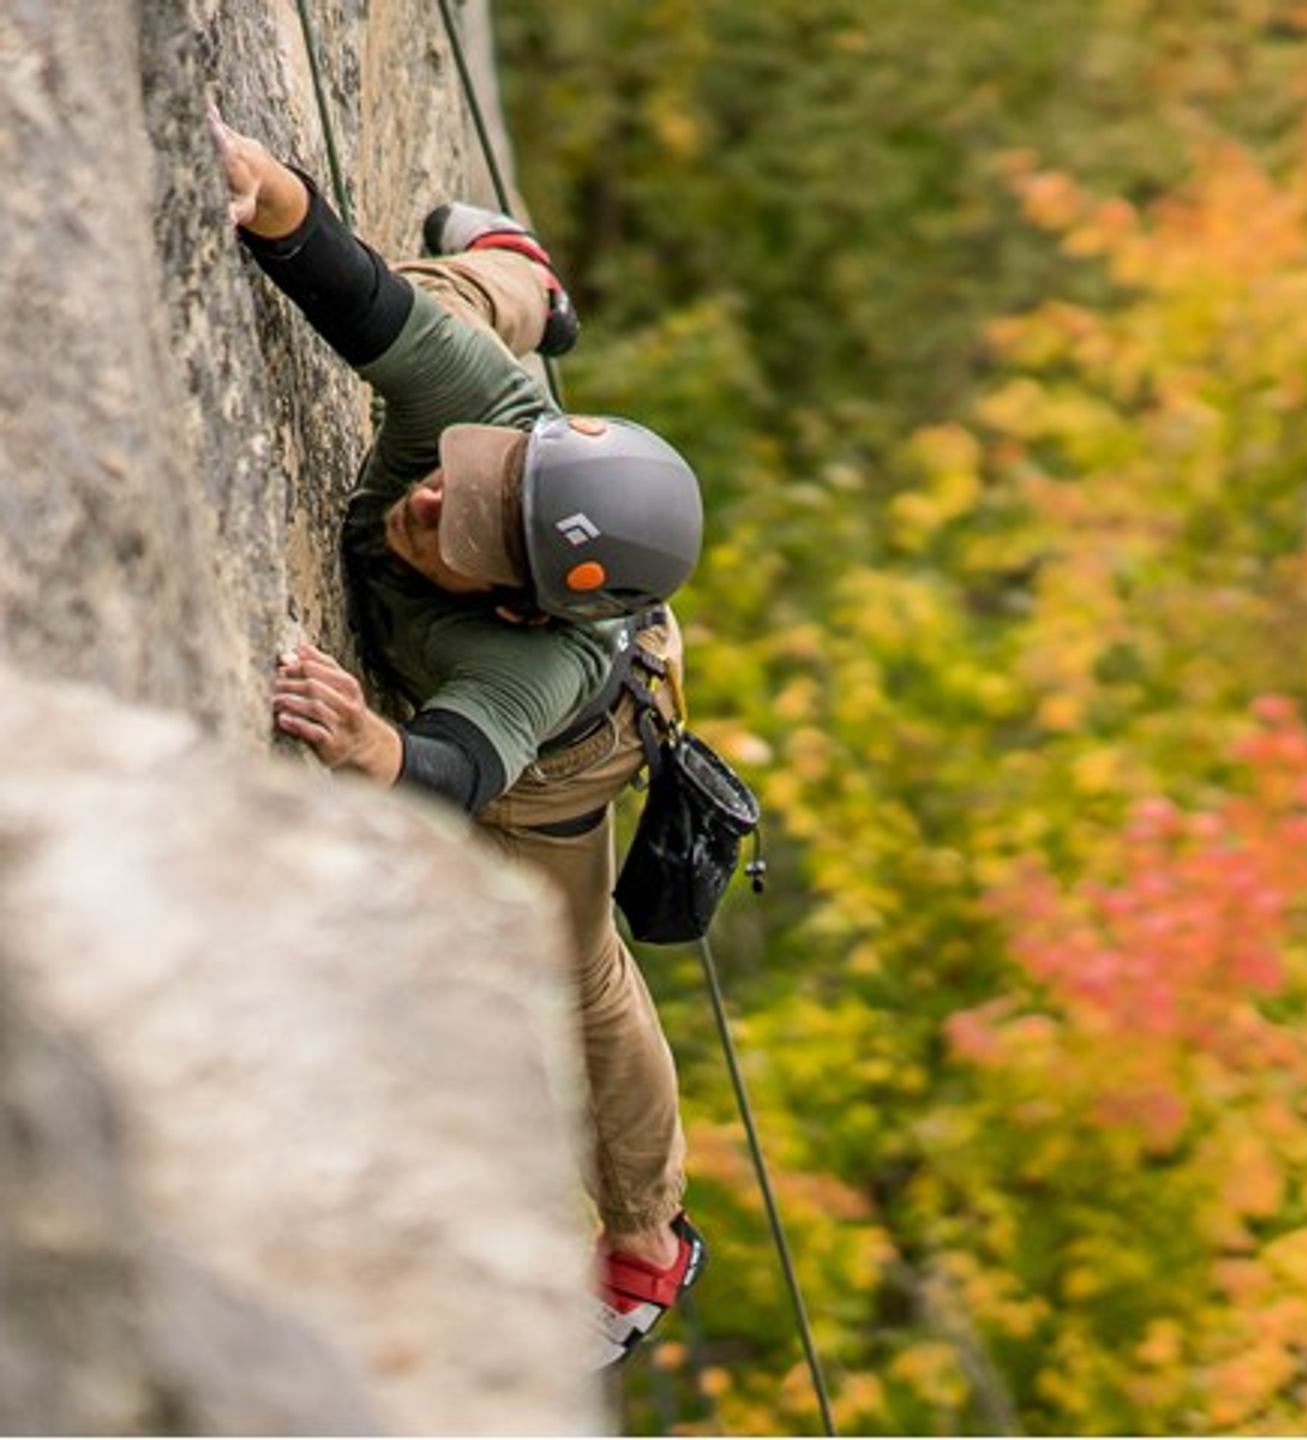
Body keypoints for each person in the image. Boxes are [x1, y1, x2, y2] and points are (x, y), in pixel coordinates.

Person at [210, 103, 704, 1368]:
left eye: (461, 529)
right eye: (462, 479)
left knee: (574, 968)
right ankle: (519, 279)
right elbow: (358, 297)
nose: (432, 495)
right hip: (542, 478)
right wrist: (263, 189)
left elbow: (449, 770)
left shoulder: (524, 661)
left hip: (563, 761)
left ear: (505, 598)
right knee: (452, 319)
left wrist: (369, 745)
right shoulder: (488, 428)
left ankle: (650, 1237)